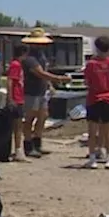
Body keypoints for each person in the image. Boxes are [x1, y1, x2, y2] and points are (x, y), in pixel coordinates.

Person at [19, 29, 69, 157]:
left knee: (43, 116)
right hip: (31, 92)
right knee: (30, 118)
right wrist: (59, 79)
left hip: (41, 91)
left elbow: (44, 73)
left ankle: (37, 142)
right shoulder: (29, 59)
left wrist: (50, 85)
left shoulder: (41, 56)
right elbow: (40, 73)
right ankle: (28, 145)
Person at [83, 36, 109, 169]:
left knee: (92, 130)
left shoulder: (91, 64)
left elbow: (87, 82)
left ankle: (92, 158)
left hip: (94, 98)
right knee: (108, 129)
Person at [7, 44, 28, 161]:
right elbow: (10, 81)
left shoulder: (17, 65)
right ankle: (18, 150)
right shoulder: (15, 65)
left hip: (19, 97)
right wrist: (11, 98)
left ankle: (17, 149)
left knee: (18, 125)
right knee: (18, 126)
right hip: (16, 98)